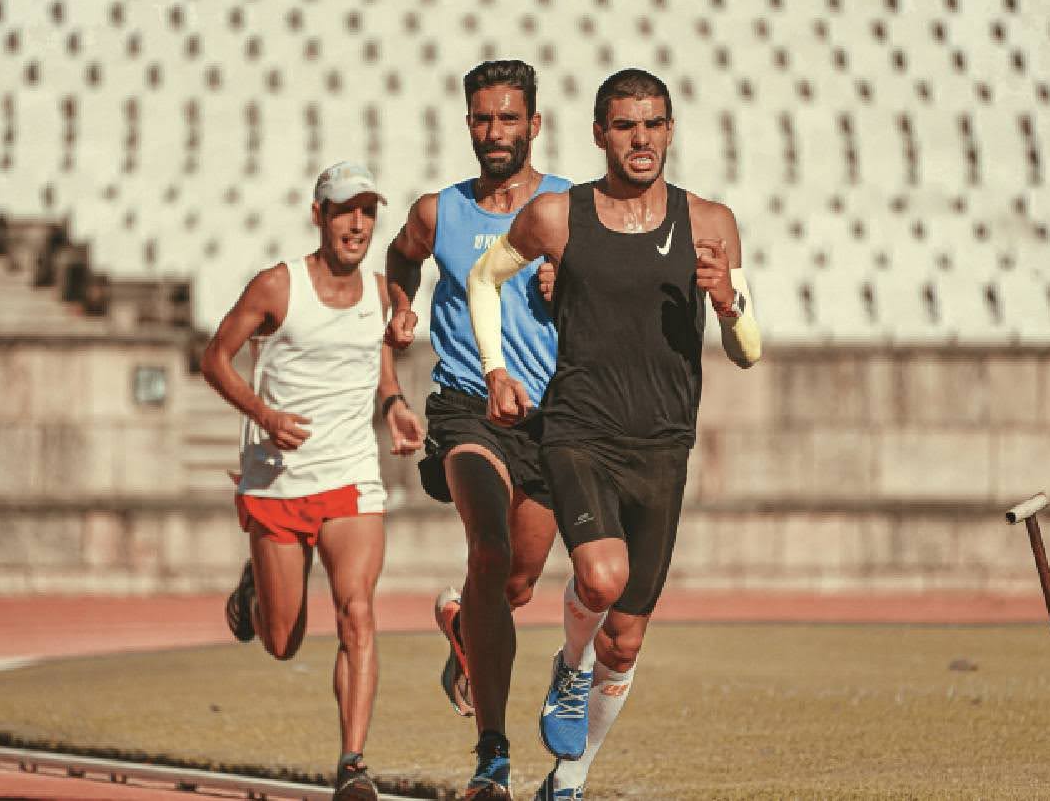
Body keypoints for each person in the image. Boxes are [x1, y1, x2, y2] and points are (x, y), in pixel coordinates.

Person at [466, 68, 762, 800]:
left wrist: (729, 305)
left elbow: (748, 350)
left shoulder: (711, 222)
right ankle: (569, 667)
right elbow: (482, 279)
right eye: (625, 125)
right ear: (600, 133)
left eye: (653, 124)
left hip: (663, 444)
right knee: (601, 577)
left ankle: (569, 778)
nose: (641, 139)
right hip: (580, 429)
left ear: (670, 130)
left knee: (626, 640)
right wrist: (495, 368)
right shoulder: (557, 216)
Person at [203, 161, 424, 801]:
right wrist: (264, 415)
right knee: (282, 641)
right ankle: (256, 592)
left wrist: (394, 406)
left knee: (358, 612)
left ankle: (353, 765)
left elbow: (379, 364)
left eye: (367, 211)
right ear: (318, 216)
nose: (357, 224)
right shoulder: (278, 286)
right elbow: (214, 359)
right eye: (344, 210)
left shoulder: (381, 294)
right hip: (278, 480)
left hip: (350, 475)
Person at [385, 59, 572, 800]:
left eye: (508, 117)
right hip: (467, 406)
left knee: (515, 583)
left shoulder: (569, 206)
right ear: (468, 123)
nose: (495, 131)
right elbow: (400, 256)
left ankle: (465, 629)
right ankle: (492, 754)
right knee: (488, 550)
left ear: (534, 124)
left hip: (551, 416)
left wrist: (567, 281)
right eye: (483, 118)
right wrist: (401, 304)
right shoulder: (439, 211)